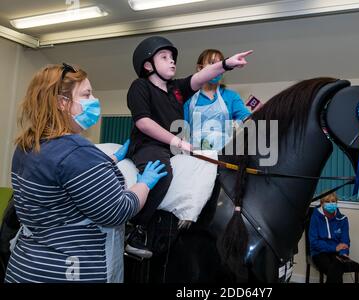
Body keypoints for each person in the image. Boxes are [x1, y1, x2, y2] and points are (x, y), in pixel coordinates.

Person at [4, 63, 167, 283]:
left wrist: (110, 160)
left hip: (26, 267)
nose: (94, 100)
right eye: (87, 94)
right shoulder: (76, 152)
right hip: (68, 271)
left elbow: (60, 182)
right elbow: (118, 211)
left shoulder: (28, 145)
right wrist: (144, 185)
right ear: (62, 102)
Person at [125, 36, 252, 258]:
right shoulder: (140, 86)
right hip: (152, 146)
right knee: (163, 174)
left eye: (173, 57)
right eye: (164, 57)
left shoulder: (177, 90)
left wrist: (227, 64)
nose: (172, 61)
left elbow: (201, 77)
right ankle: (138, 230)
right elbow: (144, 122)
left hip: (181, 148)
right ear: (148, 66)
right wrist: (178, 142)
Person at [184, 49, 251, 150]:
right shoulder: (188, 99)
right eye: (212, 63)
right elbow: (181, 131)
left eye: (220, 64)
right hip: (196, 157)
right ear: (199, 68)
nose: (217, 68)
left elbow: (248, 120)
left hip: (224, 158)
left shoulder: (231, 97)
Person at [308, 192, 351, 283]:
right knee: (335, 270)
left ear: (336, 202)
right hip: (319, 252)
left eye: (333, 201)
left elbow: (345, 241)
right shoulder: (315, 218)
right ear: (322, 203)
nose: (331, 203)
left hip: (338, 253)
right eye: (327, 201)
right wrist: (334, 247)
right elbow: (314, 242)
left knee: (337, 267)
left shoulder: (343, 219)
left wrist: (344, 253)